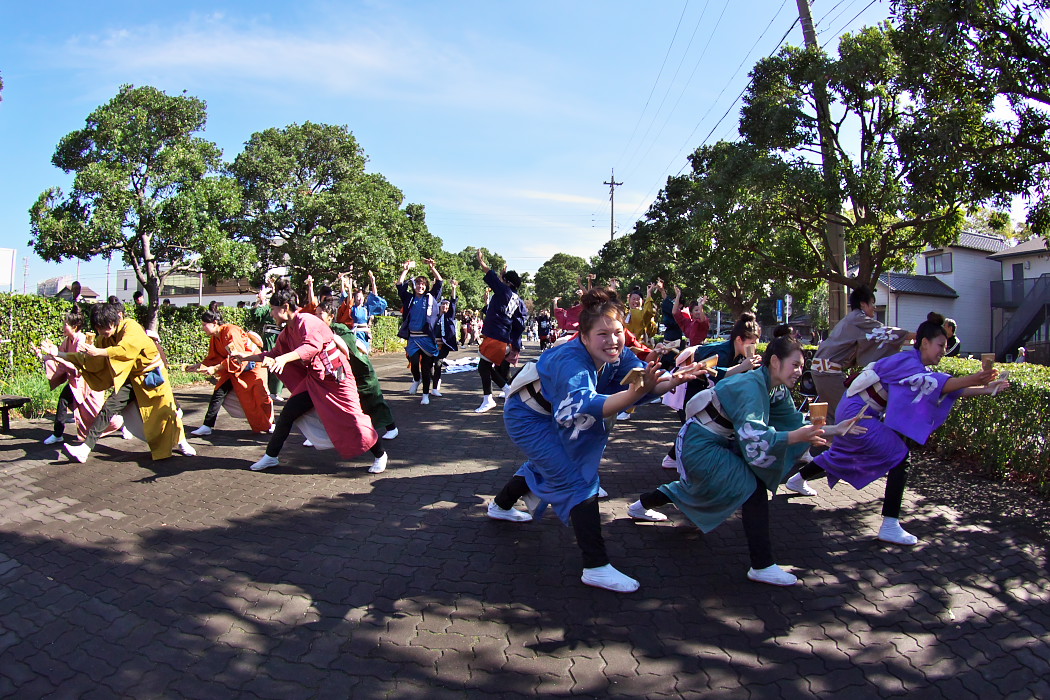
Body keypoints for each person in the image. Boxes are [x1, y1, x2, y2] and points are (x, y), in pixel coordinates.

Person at [486, 288, 703, 593]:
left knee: (550, 464)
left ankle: (500, 506)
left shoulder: (620, 353)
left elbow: (643, 383)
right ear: (584, 337)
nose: (612, 340)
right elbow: (586, 405)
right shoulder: (570, 360)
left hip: (555, 413)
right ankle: (596, 566)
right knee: (578, 480)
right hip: (528, 416)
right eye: (602, 334)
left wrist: (675, 379)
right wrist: (636, 392)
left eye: (617, 332)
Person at [630, 336, 864, 586]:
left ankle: (641, 505)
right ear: (775, 361)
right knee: (752, 488)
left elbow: (795, 423)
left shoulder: (776, 388)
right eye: (795, 364)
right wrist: (797, 436)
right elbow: (756, 436)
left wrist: (836, 429)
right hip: (700, 443)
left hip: (721, 441)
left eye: (800, 365)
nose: (799, 371)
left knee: (698, 488)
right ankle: (762, 565)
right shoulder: (752, 386)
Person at [787, 313, 1007, 546]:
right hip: (858, 414)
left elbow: (943, 389)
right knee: (900, 455)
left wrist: (985, 388)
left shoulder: (912, 363)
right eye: (940, 345)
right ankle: (890, 524)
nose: (944, 350)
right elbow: (941, 385)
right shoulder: (907, 362)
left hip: (855, 410)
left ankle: (797, 480)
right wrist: (976, 378)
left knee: (841, 454)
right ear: (924, 343)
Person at [234, 281, 381, 472]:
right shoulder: (287, 331)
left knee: (353, 419)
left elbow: (311, 347)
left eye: (273, 309)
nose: (271, 314)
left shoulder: (307, 321)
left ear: (285, 308)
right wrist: (248, 356)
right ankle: (271, 456)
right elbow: (275, 353)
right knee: (287, 414)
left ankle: (380, 454)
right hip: (315, 380)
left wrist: (284, 359)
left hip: (336, 378)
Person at [38, 302, 193, 462]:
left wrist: (100, 352)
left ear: (112, 322)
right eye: (97, 328)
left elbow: (125, 349)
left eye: (101, 327)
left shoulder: (131, 327)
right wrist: (59, 353)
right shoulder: (104, 338)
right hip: (130, 378)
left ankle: (182, 442)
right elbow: (87, 359)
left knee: (167, 413)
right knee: (108, 408)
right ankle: (85, 449)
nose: (100, 332)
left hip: (153, 377)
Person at [661, 312, 763, 469]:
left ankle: (673, 458)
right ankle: (680, 462)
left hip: (700, 391)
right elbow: (715, 374)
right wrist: (743, 367)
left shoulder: (740, 355)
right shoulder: (721, 352)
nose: (755, 347)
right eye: (753, 343)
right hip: (686, 388)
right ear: (739, 340)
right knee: (694, 427)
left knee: (692, 427)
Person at [811, 285, 914, 417]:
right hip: (827, 371)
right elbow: (887, 333)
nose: (874, 307)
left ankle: (832, 437)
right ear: (863, 304)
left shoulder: (852, 319)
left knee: (835, 414)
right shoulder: (858, 319)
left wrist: (908, 339)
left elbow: (879, 338)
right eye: (872, 303)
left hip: (822, 369)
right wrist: (921, 336)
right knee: (848, 412)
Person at [36, 304, 125, 445]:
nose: (62, 327)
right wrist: (43, 355)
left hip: (87, 381)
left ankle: (120, 424)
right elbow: (58, 357)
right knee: (64, 402)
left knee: (97, 412)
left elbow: (76, 365)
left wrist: (55, 356)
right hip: (76, 382)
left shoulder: (82, 340)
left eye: (65, 324)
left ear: (74, 326)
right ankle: (58, 433)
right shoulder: (67, 341)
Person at [186, 310, 273, 437]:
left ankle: (272, 423)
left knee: (261, 395)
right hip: (231, 367)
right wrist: (198, 365)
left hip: (253, 365)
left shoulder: (230, 332)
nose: (203, 328)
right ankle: (207, 425)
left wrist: (215, 368)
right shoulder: (215, 337)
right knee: (219, 392)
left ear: (215, 323)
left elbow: (237, 357)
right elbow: (214, 357)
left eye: (204, 324)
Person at [474, 251, 527, 413]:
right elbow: (520, 324)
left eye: (504, 280)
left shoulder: (503, 291)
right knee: (485, 367)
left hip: (495, 335)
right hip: (503, 336)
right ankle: (501, 391)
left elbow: (491, 274)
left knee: (484, 367)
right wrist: (514, 342)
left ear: (508, 283)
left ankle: (495, 395)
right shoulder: (519, 301)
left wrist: (481, 261)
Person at [397, 259, 445, 405]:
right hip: (413, 337)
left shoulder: (430, 298)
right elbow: (399, 285)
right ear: (415, 286)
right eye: (418, 284)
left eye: (423, 284)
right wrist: (405, 270)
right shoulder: (409, 299)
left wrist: (432, 268)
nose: (420, 286)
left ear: (426, 286)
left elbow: (440, 282)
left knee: (426, 368)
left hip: (427, 338)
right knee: (413, 362)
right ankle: (416, 380)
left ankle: (425, 395)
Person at [249, 280, 287, 403]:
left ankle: (275, 391)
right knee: (266, 362)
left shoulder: (287, 302)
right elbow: (256, 315)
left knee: (279, 362)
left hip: (281, 336)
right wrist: (261, 300)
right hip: (269, 337)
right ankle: (265, 390)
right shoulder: (269, 304)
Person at [336, 269, 388, 354]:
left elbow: (375, 296)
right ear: (354, 298)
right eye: (358, 297)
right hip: (354, 334)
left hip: (364, 334)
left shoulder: (366, 308)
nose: (360, 299)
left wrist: (373, 281)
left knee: (364, 355)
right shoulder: (351, 308)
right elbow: (344, 295)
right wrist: (343, 282)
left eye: (361, 297)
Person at [432, 279, 460, 397]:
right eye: (443, 304)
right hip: (432, 344)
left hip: (444, 345)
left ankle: (434, 388)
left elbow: (453, 302)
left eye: (447, 304)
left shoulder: (449, 317)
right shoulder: (434, 316)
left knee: (438, 364)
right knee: (428, 366)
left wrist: (453, 288)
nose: (445, 306)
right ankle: (435, 380)